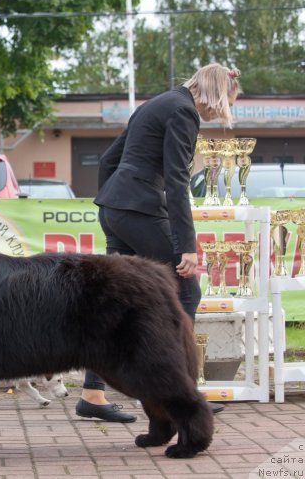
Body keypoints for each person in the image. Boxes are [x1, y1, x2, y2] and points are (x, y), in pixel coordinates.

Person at [77, 63, 242, 422]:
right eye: (226, 102)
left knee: (117, 300)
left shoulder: (158, 103)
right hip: (139, 209)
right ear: (216, 94)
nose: (220, 112)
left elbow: (108, 160)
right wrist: (187, 246)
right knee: (187, 292)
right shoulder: (184, 111)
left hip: (116, 208)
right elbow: (178, 182)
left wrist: (111, 201)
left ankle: (92, 392)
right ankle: (185, 397)